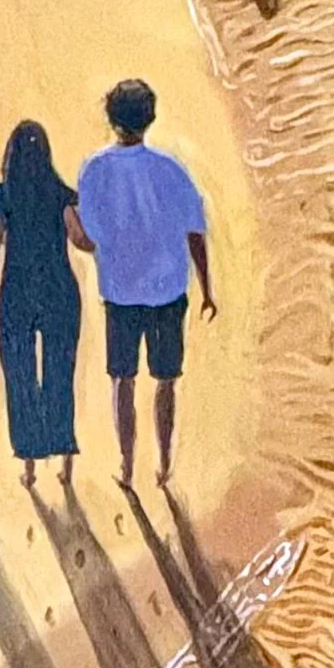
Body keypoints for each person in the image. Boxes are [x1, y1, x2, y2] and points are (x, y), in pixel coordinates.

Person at [76, 78, 216, 487]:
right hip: (168, 290)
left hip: (119, 291)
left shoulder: (94, 170)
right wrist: (207, 289)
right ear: (150, 117)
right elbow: (195, 232)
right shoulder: (170, 169)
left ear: (111, 117)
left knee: (123, 379)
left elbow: (88, 236)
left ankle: (126, 463)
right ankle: (165, 460)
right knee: (166, 380)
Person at [0, 119, 89, 493]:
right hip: (59, 288)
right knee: (60, 373)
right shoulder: (61, 195)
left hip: (19, 291)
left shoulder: (0, 197)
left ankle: (29, 467)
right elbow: (80, 239)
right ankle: (66, 465)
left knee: (21, 378)